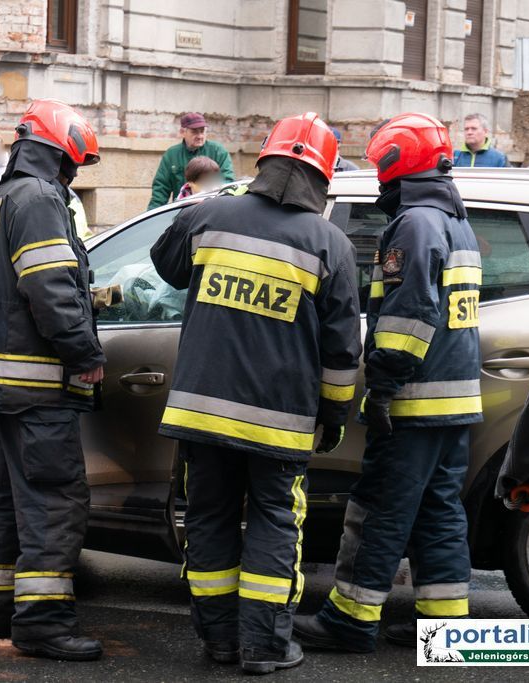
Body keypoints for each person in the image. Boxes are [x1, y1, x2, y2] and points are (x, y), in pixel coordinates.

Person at [150, 113, 362, 674]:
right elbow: (342, 352)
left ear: (264, 161)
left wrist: (213, 201)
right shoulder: (330, 244)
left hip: (202, 414)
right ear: (323, 177)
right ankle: (265, 648)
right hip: (280, 421)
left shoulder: (212, 215)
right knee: (273, 522)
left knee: (210, 518)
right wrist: (334, 416)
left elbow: (165, 264)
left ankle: (219, 641)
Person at [292, 113, 483, 653]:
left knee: (379, 505)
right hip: (454, 397)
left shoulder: (416, 223)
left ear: (399, 162)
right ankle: (447, 633)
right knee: (438, 509)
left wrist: (383, 384)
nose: (377, 175)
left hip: (416, 398)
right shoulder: (455, 220)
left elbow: (410, 313)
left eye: (381, 164)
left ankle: (350, 619)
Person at [0, 99, 106, 662]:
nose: (74, 174)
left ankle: (0, 611)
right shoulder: (42, 199)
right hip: (38, 385)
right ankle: (43, 623)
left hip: (3, 382)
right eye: (75, 162)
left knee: (9, 503)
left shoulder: (4, 198)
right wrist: (83, 352)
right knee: (51, 501)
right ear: (60, 149)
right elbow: (48, 286)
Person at [148, 112, 235, 209]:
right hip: (182, 211)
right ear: (182, 132)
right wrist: (150, 217)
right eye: (194, 132)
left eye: (202, 131)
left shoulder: (218, 151)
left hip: (212, 209)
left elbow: (228, 182)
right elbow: (160, 189)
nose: (200, 136)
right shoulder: (172, 155)